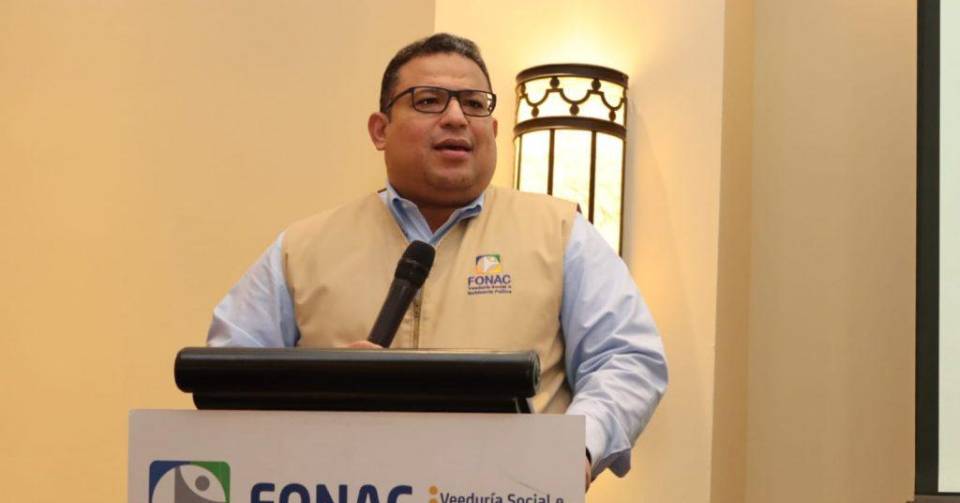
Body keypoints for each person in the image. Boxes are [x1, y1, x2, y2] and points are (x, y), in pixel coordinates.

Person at [207, 33, 667, 489]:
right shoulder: (303, 247)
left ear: (493, 130)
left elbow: (626, 357)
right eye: (428, 101)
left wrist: (576, 447)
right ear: (380, 130)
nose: (456, 118)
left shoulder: (560, 232)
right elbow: (226, 373)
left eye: (474, 104)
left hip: (504, 493)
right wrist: (319, 387)